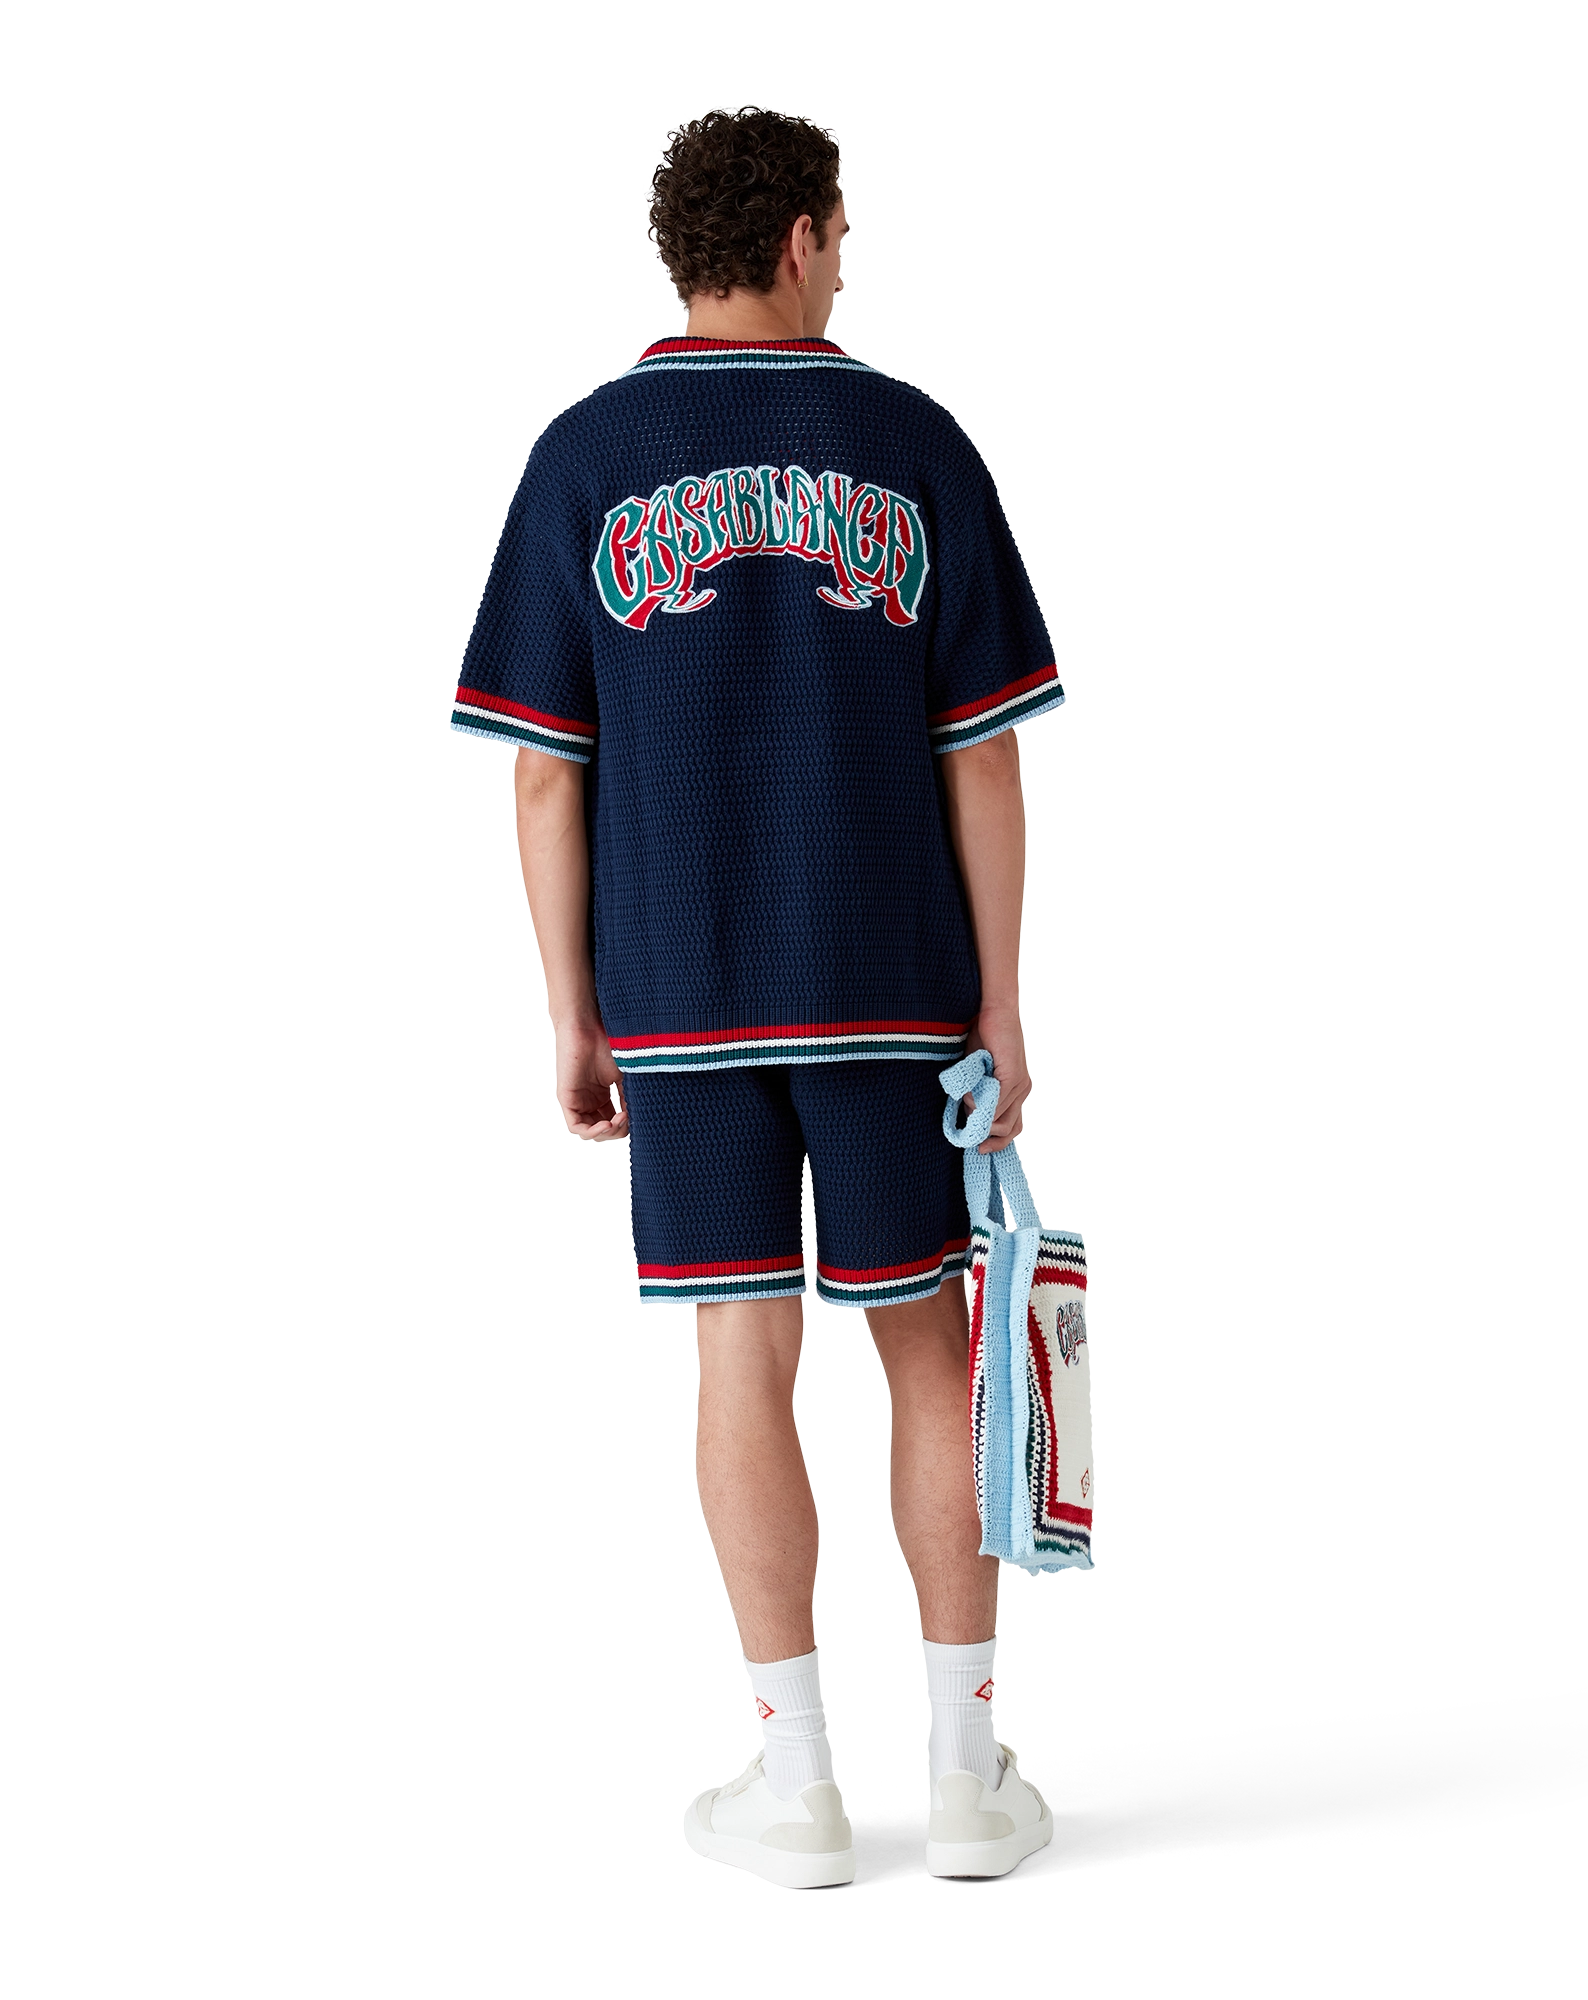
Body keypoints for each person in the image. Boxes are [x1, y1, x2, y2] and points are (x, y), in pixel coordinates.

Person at [447, 105, 1063, 1887]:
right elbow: (983, 755)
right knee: (924, 1346)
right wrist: (1002, 1007)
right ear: (799, 235)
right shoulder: (915, 441)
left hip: (683, 995)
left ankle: (798, 1789)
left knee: (742, 1348)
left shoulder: (584, 454)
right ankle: (965, 1783)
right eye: (844, 233)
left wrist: (573, 1011)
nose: (846, 261)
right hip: (891, 991)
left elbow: (543, 777)